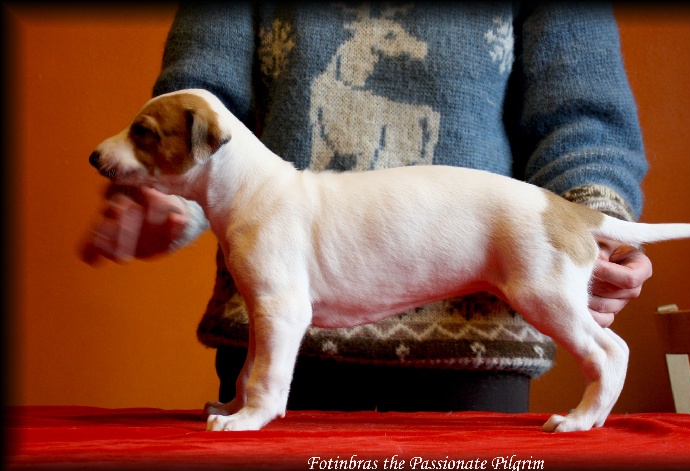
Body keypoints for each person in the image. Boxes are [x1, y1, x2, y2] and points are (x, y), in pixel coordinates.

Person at [81, 2, 653, 413]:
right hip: (282, 353)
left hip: (476, 351)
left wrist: (588, 232)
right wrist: (160, 195)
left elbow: (584, 120)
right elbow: (202, 104)